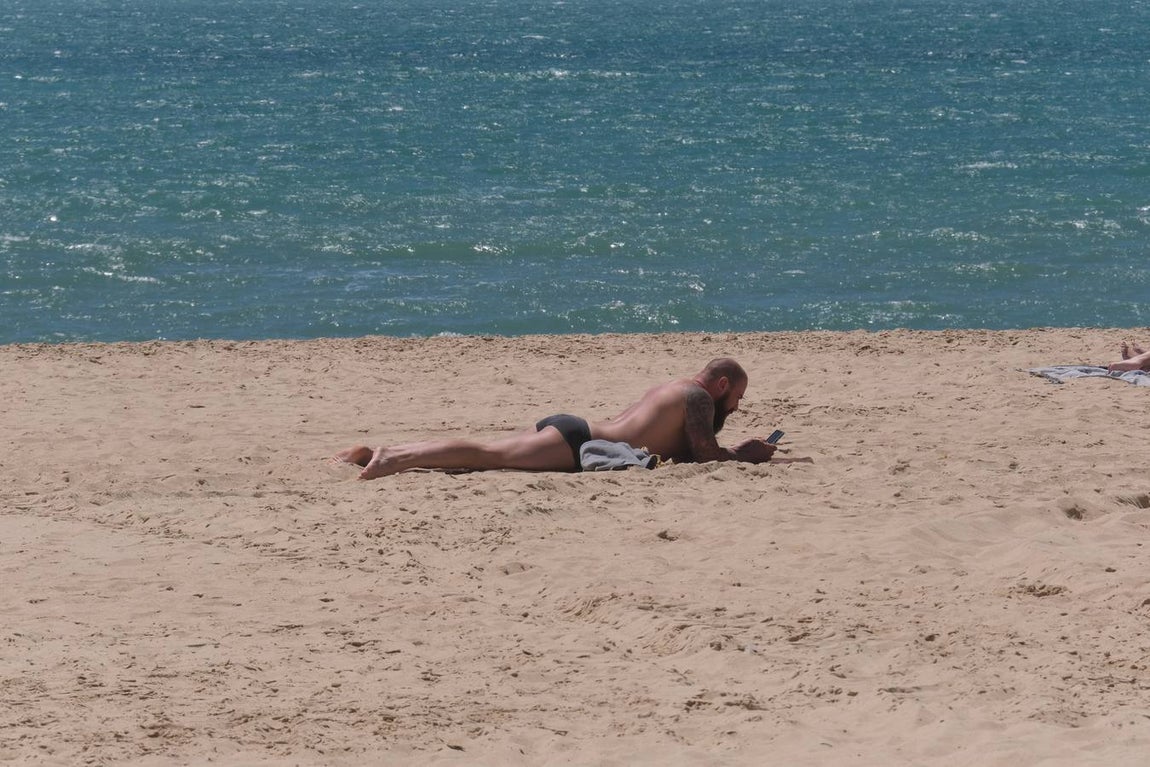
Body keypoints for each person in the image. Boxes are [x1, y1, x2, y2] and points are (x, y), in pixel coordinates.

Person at [335, 357, 783, 480]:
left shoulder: (674, 387)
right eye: (738, 398)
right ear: (722, 386)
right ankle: (392, 456)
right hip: (579, 442)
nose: (737, 407)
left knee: (485, 455)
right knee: (488, 455)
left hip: (576, 427)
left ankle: (371, 454)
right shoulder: (699, 399)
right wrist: (745, 454)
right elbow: (706, 456)